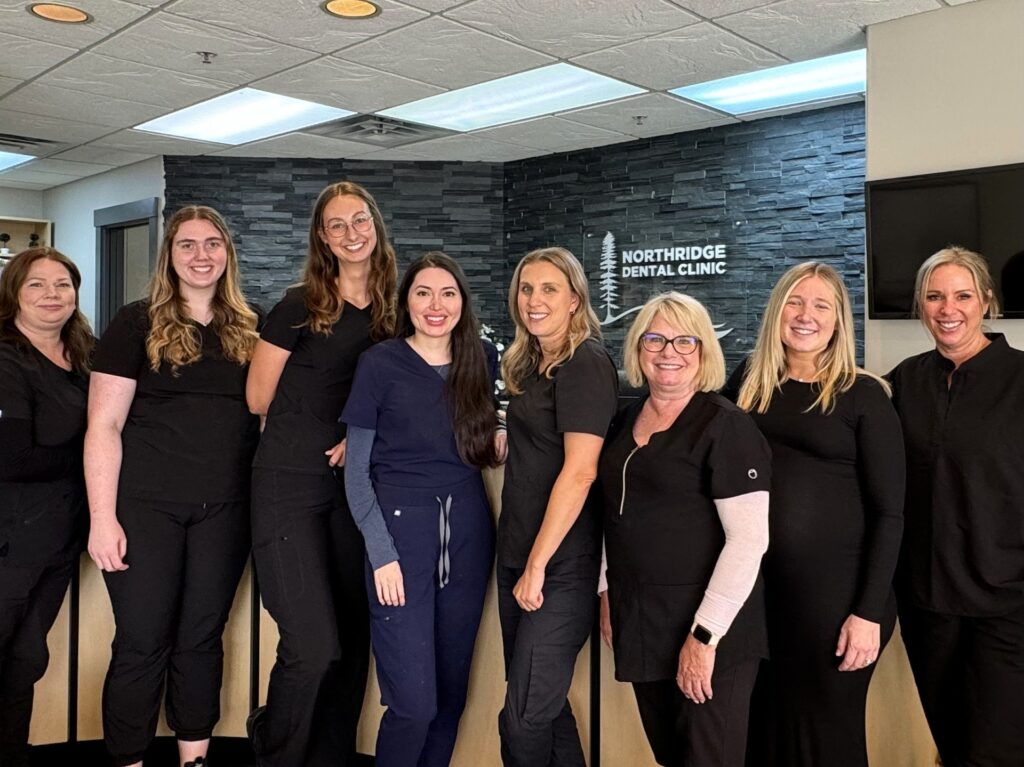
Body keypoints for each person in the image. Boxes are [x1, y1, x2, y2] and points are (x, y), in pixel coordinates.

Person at [85, 206, 260, 767]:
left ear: (227, 254)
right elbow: (104, 426)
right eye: (187, 245)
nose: (201, 255)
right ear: (169, 255)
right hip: (144, 509)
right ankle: (129, 758)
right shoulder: (135, 323)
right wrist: (102, 518)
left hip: (226, 511)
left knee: (202, 639)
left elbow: (270, 415)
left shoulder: (249, 330)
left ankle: (195, 758)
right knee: (142, 641)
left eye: (212, 244)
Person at [727, 263, 904, 767]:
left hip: (838, 603)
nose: (806, 316)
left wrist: (868, 612)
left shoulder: (863, 394)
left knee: (828, 740)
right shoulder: (748, 381)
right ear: (776, 310)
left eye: (821, 305)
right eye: (795, 303)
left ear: (839, 320)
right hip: (760, 599)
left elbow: (890, 513)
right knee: (765, 736)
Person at [245, 180, 397, 767]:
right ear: (322, 238)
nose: (352, 233)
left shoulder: (392, 308)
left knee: (354, 644)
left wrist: (357, 437)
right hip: (288, 484)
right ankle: (274, 749)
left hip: (355, 492)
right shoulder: (297, 306)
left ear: (376, 226)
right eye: (337, 225)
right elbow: (259, 398)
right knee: (312, 646)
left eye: (360, 220)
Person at [597, 292, 770, 767]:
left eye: (684, 341)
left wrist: (704, 637)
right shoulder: (625, 419)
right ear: (637, 349)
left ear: (704, 352)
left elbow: (749, 541)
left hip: (711, 631)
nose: (668, 351)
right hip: (642, 622)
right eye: (654, 338)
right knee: (670, 756)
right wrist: (607, 590)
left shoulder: (726, 426)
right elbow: (613, 512)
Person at [342, 251, 502, 766]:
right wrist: (381, 554)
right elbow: (356, 472)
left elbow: (494, 426)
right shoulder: (380, 363)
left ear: (463, 302)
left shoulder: (483, 355)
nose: (437, 305)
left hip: (470, 533)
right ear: (406, 301)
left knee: (451, 697)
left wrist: (504, 434)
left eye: (448, 293)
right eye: (424, 293)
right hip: (399, 539)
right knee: (413, 704)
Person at [888, 246, 1024, 767]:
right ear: (921, 306)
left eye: (963, 295)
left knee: (998, 746)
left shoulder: (1019, 377)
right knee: (950, 738)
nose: (950, 308)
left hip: (1008, 603)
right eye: (935, 296)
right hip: (928, 601)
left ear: (987, 301)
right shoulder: (902, 382)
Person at [496, 246, 618, 767]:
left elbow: (581, 470)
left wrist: (539, 565)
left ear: (575, 299)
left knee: (522, 716)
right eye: (526, 288)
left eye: (549, 289)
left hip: (559, 566)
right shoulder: (533, 361)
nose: (534, 300)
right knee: (543, 706)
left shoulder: (585, 362)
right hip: (518, 554)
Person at [0, 248, 94, 767]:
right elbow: (12, 458)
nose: (52, 295)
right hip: (11, 540)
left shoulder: (83, 354)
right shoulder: (7, 358)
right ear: (14, 293)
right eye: (36, 285)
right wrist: (94, 455)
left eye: (62, 283)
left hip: (59, 541)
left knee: (25, 661)